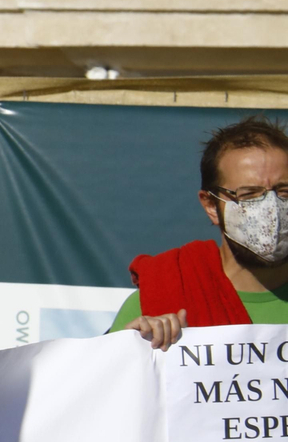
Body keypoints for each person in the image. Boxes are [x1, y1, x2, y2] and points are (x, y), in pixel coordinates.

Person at [113, 116, 288, 350]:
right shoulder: (156, 303)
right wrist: (129, 350)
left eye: (284, 192)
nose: (271, 210)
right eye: (248, 195)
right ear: (210, 205)